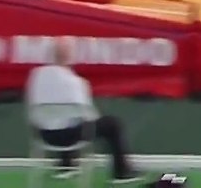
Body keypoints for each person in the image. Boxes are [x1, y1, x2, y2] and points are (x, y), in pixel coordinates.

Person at [25, 38, 141, 183]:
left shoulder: (36, 75)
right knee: (112, 124)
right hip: (70, 137)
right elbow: (89, 116)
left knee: (64, 121)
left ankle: (66, 166)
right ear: (70, 57)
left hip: (44, 135)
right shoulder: (77, 83)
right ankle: (122, 172)